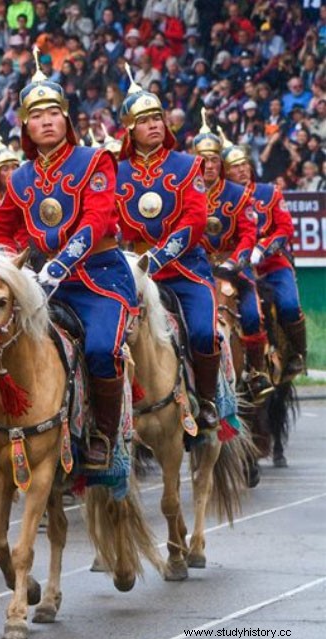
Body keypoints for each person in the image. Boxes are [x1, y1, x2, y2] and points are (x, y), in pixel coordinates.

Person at [0, 50, 137, 469]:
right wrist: (2, 260)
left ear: (66, 120)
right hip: (41, 282)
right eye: (37, 115)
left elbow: (97, 219)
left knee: (103, 350)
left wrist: (60, 263)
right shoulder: (19, 178)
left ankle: (103, 435)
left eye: (54, 112)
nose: (47, 121)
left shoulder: (96, 161)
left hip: (99, 279)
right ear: (26, 127)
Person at [116, 64, 220, 432]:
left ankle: (207, 401)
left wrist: (157, 257)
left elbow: (194, 220)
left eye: (157, 118)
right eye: (144, 120)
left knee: (206, 334)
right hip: (135, 273)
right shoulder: (116, 171)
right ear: (130, 129)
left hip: (186, 270)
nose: (155, 125)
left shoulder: (188, 165)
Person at [192, 118, 273, 401]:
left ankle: (256, 372)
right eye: (204, 160)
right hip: (197, 268)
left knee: (251, 315)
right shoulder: (185, 192)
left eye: (214, 160)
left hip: (233, 265)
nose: (210, 165)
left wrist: (235, 262)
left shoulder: (238, 194)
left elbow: (249, 235)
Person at [221, 132, 307, 380]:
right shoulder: (224, 198)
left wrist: (262, 249)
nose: (242, 170)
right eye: (235, 167)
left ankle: (296, 354)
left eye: (244, 165)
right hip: (238, 267)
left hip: (272, 264)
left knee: (289, 306)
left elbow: (285, 229)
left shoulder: (270, 193)